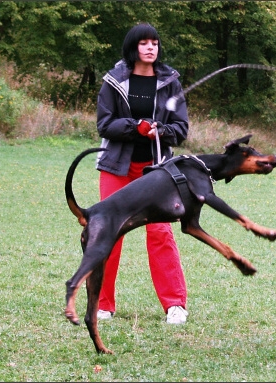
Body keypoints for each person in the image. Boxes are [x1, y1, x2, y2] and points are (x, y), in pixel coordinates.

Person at [95, 23, 190, 324]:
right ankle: (103, 304)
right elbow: (104, 124)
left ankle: (175, 304)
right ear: (133, 47)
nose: (150, 47)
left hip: (156, 172)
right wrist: (135, 127)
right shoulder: (114, 81)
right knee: (109, 232)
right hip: (117, 168)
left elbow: (181, 128)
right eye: (144, 43)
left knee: (160, 233)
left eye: (155, 43)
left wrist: (160, 129)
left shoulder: (170, 82)